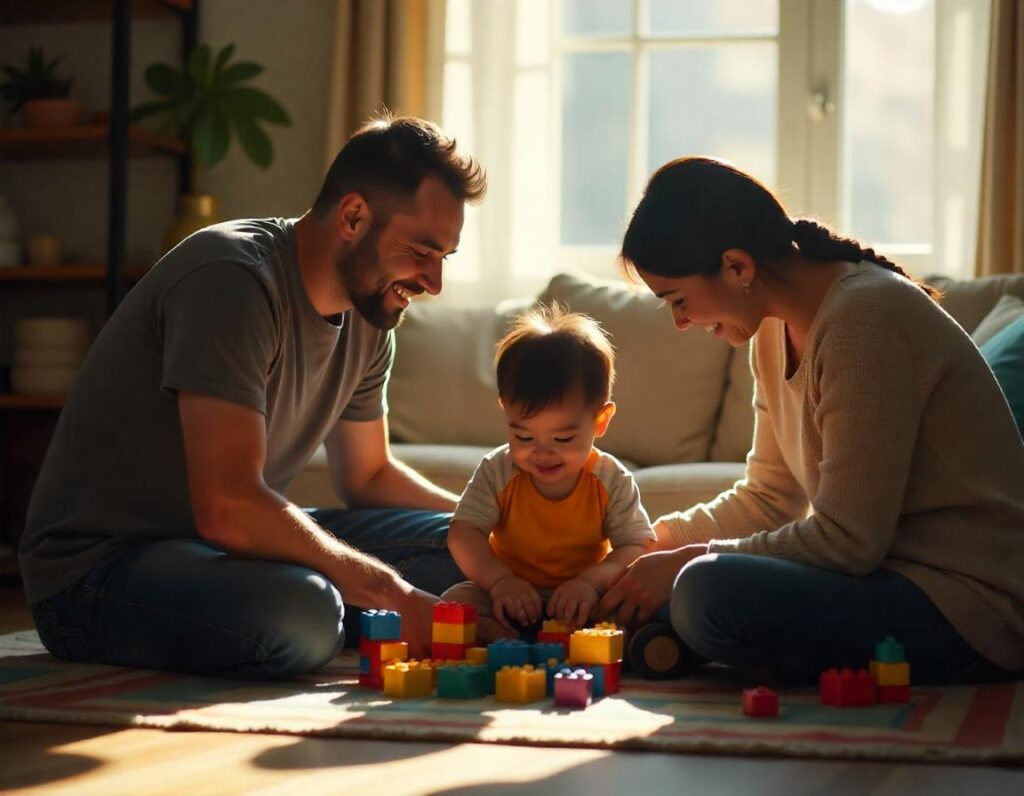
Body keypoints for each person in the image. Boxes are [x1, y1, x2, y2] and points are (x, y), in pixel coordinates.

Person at [19, 115, 486, 679]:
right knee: (305, 610)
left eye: (444, 258)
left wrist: (493, 531)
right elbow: (229, 507)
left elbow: (366, 475)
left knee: (466, 552)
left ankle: (370, 616)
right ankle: (363, 616)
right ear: (353, 216)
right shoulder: (234, 280)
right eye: (420, 251)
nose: (433, 282)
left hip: (223, 552)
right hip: (98, 570)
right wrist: (390, 590)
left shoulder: (370, 316)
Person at [596, 156, 1024, 685]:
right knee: (656, 583)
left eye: (678, 301)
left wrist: (688, 561)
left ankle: (677, 630)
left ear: (737, 266)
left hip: (968, 605)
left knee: (705, 592)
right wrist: (644, 546)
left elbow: (847, 540)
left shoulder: (863, 319)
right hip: (884, 579)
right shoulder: (772, 330)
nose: (682, 323)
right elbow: (769, 498)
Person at [443, 306, 655, 638]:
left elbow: (636, 546)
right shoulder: (498, 470)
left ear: (600, 421)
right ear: (506, 409)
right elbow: (463, 532)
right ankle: (498, 636)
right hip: (509, 595)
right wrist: (500, 581)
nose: (542, 452)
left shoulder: (610, 478)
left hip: (583, 599)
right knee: (453, 603)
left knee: (632, 609)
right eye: (523, 436)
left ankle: (605, 643)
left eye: (563, 438)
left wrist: (589, 582)